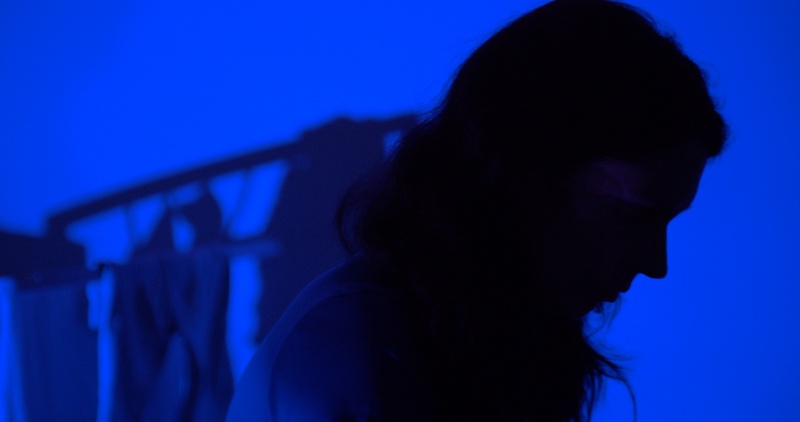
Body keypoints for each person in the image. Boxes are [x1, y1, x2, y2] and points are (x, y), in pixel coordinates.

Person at [226, 0, 728, 420]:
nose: (655, 263)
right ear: (524, 174)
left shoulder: (476, 345)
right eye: (632, 215)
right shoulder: (356, 357)